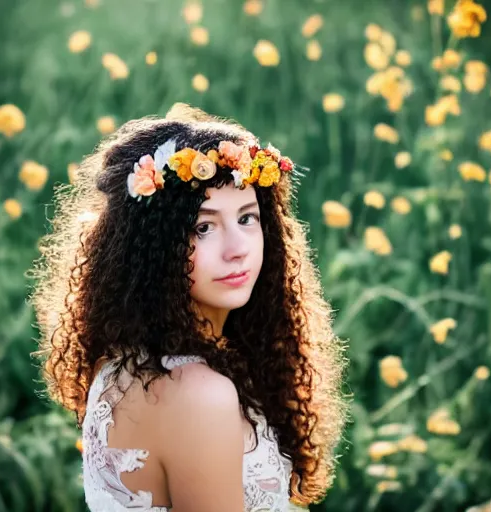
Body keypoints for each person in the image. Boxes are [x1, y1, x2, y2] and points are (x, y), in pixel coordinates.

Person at [29, 103, 348, 511]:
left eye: (247, 218)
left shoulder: (124, 363)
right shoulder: (199, 394)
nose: (238, 250)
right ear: (153, 249)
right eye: (203, 227)